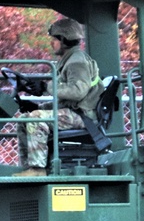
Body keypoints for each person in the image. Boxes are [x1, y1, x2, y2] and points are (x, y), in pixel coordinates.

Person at [14, 18, 103, 177]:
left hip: (83, 116)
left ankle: (37, 170)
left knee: (34, 120)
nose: (51, 43)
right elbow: (66, 100)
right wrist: (38, 108)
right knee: (24, 119)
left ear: (65, 40)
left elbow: (78, 92)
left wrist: (46, 87)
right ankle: (28, 168)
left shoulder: (77, 61)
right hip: (73, 112)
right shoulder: (68, 60)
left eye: (54, 39)